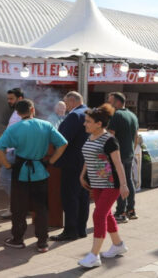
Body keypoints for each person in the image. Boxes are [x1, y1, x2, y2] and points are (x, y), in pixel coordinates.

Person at [0, 99, 68, 253]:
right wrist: (52, 160)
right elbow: (63, 143)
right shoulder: (46, 125)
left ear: (17, 112)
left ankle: (17, 239)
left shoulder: (14, 128)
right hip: (40, 170)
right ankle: (42, 242)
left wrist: (7, 165)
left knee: (19, 208)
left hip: (20, 171)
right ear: (32, 110)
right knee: (41, 208)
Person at [77, 104, 130, 269]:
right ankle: (118, 245)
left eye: (88, 121)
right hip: (97, 183)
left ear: (99, 123)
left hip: (111, 184)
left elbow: (118, 163)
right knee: (106, 215)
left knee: (98, 215)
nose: (85, 124)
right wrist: (82, 174)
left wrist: (123, 185)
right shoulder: (91, 136)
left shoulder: (110, 140)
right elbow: (89, 156)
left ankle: (94, 255)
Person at [51, 92, 90, 242]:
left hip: (73, 162)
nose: (65, 106)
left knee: (70, 197)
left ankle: (70, 231)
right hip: (86, 160)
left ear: (72, 101)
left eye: (66, 103)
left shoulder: (74, 116)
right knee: (83, 196)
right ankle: (81, 229)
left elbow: (62, 139)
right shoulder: (88, 112)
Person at [107, 92, 139, 223]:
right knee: (128, 181)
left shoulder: (116, 115)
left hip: (118, 154)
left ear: (117, 102)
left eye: (110, 101)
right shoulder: (132, 115)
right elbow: (136, 137)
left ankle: (121, 212)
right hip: (129, 153)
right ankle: (131, 210)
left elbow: (111, 135)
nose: (109, 104)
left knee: (121, 182)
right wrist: (131, 149)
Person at [0, 87, 25, 219]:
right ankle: (15, 205)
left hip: (14, 151)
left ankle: (17, 205)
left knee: (5, 178)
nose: (9, 101)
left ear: (20, 99)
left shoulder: (20, 114)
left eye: (11, 99)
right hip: (12, 150)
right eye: (8, 99)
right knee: (10, 179)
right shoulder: (16, 113)